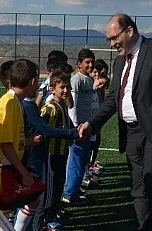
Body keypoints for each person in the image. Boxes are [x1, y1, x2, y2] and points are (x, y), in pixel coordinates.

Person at [79, 14, 152, 231]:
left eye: (115, 37)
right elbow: (114, 99)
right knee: (138, 188)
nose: (112, 43)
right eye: (109, 39)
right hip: (131, 133)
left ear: (130, 31)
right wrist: (91, 124)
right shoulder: (118, 62)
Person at [0, 58, 43, 231]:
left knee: (31, 199)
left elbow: (13, 140)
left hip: (11, 165)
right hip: (4, 169)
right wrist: (23, 172)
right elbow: (5, 144)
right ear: (32, 82)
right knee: (1, 220)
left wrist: (28, 142)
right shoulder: (9, 103)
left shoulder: (15, 102)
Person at [33, 71, 77, 231]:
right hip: (51, 154)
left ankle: (50, 220)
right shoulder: (50, 108)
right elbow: (45, 131)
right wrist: (70, 134)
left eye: (68, 87)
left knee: (57, 189)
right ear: (52, 89)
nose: (66, 90)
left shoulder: (62, 106)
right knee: (48, 192)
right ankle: (38, 228)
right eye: (62, 87)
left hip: (61, 153)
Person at [63, 48, 95, 205]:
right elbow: (72, 106)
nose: (90, 65)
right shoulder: (76, 80)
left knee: (82, 161)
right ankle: (69, 193)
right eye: (87, 62)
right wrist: (76, 127)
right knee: (76, 160)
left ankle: (74, 190)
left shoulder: (88, 79)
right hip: (79, 128)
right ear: (79, 64)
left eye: (92, 62)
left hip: (86, 127)